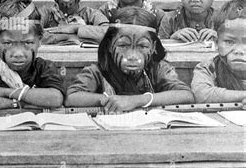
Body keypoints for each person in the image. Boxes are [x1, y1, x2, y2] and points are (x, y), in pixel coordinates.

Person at [65, 7, 194, 113]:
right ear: (109, 45)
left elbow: (185, 95)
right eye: (123, 45)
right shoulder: (98, 71)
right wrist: (113, 100)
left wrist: (135, 101)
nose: (132, 55)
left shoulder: (158, 68)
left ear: (153, 47)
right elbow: (72, 97)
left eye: (142, 46)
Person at [0, 0, 65, 111]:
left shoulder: (44, 67)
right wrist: (17, 103)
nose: (18, 53)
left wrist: (4, 92)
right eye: (8, 43)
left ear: (40, 40)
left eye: (27, 42)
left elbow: (55, 98)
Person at [191, 0, 245, 103]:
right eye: (229, 42)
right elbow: (202, 94)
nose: (239, 51)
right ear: (216, 43)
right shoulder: (209, 67)